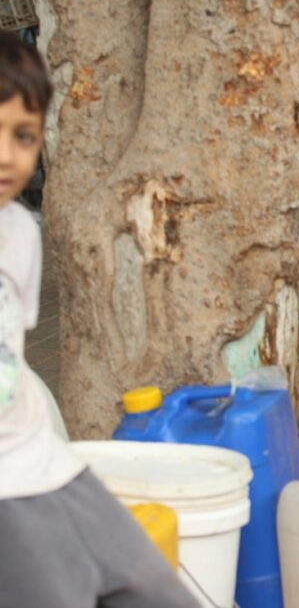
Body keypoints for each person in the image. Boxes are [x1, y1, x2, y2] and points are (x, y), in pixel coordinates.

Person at [0, 33, 199, 608]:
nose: (10, 155)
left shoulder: (19, 233)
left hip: (47, 462)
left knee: (155, 591)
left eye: (24, 136)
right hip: (8, 494)